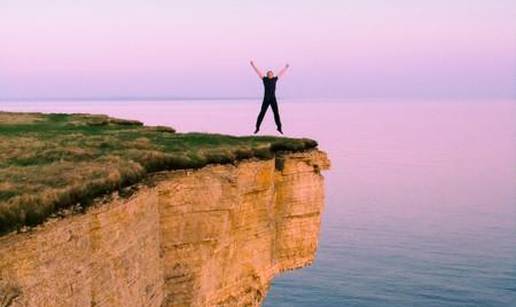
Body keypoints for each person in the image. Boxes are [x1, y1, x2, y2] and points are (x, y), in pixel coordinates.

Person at [250, 60, 289, 134]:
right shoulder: (265, 79)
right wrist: (253, 65)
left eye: (271, 74)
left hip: (273, 99)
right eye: (269, 74)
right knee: (262, 113)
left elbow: (281, 73)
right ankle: (257, 128)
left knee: (276, 113)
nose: (270, 75)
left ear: (272, 75)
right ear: (267, 75)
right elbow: (258, 72)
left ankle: (279, 128)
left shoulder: (275, 79)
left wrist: (285, 68)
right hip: (266, 99)